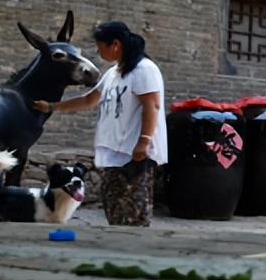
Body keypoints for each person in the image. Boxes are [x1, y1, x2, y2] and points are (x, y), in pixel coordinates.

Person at [32, 21, 167, 226]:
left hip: (135, 153)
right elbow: (89, 100)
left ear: (115, 44)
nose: (98, 51)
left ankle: (133, 251)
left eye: (100, 45)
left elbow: (152, 106)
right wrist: (52, 107)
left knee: (132, 208)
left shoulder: (144, 70)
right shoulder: (114, 73)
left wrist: (144, 141)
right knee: (113, 205)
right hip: (114, 150)